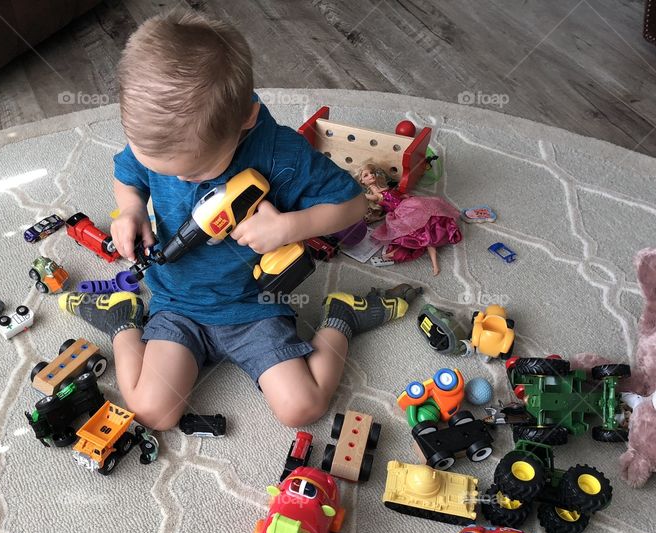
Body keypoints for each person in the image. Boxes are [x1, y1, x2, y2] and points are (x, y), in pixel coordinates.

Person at [59, 9, 411, 431]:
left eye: (191, 172)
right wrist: (131, 209)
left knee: (301, 409)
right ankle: (122, 318)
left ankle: (343, 316)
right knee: (153, 412)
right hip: (177, 304)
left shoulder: (281, 153)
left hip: (254, 306)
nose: (176, 179)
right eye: (162, 168)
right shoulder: (159, 138)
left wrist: (288, 227)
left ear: (245, 116)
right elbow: (127, 175)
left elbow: (354, 206)